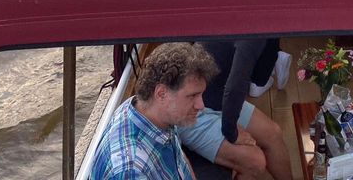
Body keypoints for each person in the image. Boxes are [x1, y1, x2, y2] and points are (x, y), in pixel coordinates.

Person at [89, 42, 218, 180]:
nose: (201, 105)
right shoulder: (130, 171)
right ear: (161, 94)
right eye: (192, 96)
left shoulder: (153, 113)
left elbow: (180, 162)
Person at [180, 39, 294, 180]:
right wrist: (232, 132)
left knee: (273, 133)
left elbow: (259, 79)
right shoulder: (250, 31)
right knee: (254, 161)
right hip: (188, 109)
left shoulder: (263, 32)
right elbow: (235, 88)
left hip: (218, 98)